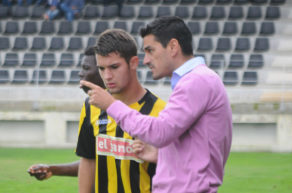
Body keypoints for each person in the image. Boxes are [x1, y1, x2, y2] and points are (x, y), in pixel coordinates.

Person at [80, 16, 233, 193]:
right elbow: (195, 151)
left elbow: (160, 133)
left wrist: (111, 105)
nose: (146, 60)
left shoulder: (197, 81)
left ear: (173, 47)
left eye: (150, 50)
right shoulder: (198, 80)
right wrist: (163, 155)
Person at [76, 29, 166, 193]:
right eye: (102, 69)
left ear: (133, 62)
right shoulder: (92, 106)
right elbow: (88, 160)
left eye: (114, 67)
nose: (107, 76)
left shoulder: (161, 112)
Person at [27, 47, 105, 186]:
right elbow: (91, 161)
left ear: (104, 71)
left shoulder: (134, 110)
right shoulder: (90, 106)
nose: (81, 74)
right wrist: (52, 169)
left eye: (86, 68)